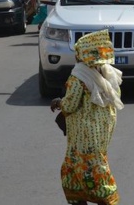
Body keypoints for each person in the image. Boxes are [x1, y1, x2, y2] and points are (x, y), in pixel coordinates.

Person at [50, 29, 123, 205]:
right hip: (104, 128)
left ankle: (103, 199)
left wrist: (58, 102)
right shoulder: (108, 71)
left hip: (84, 134)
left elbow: (70, 104)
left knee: (81, 166)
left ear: (83, 54)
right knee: (95, 161)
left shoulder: (79, 75)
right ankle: (95, 198)